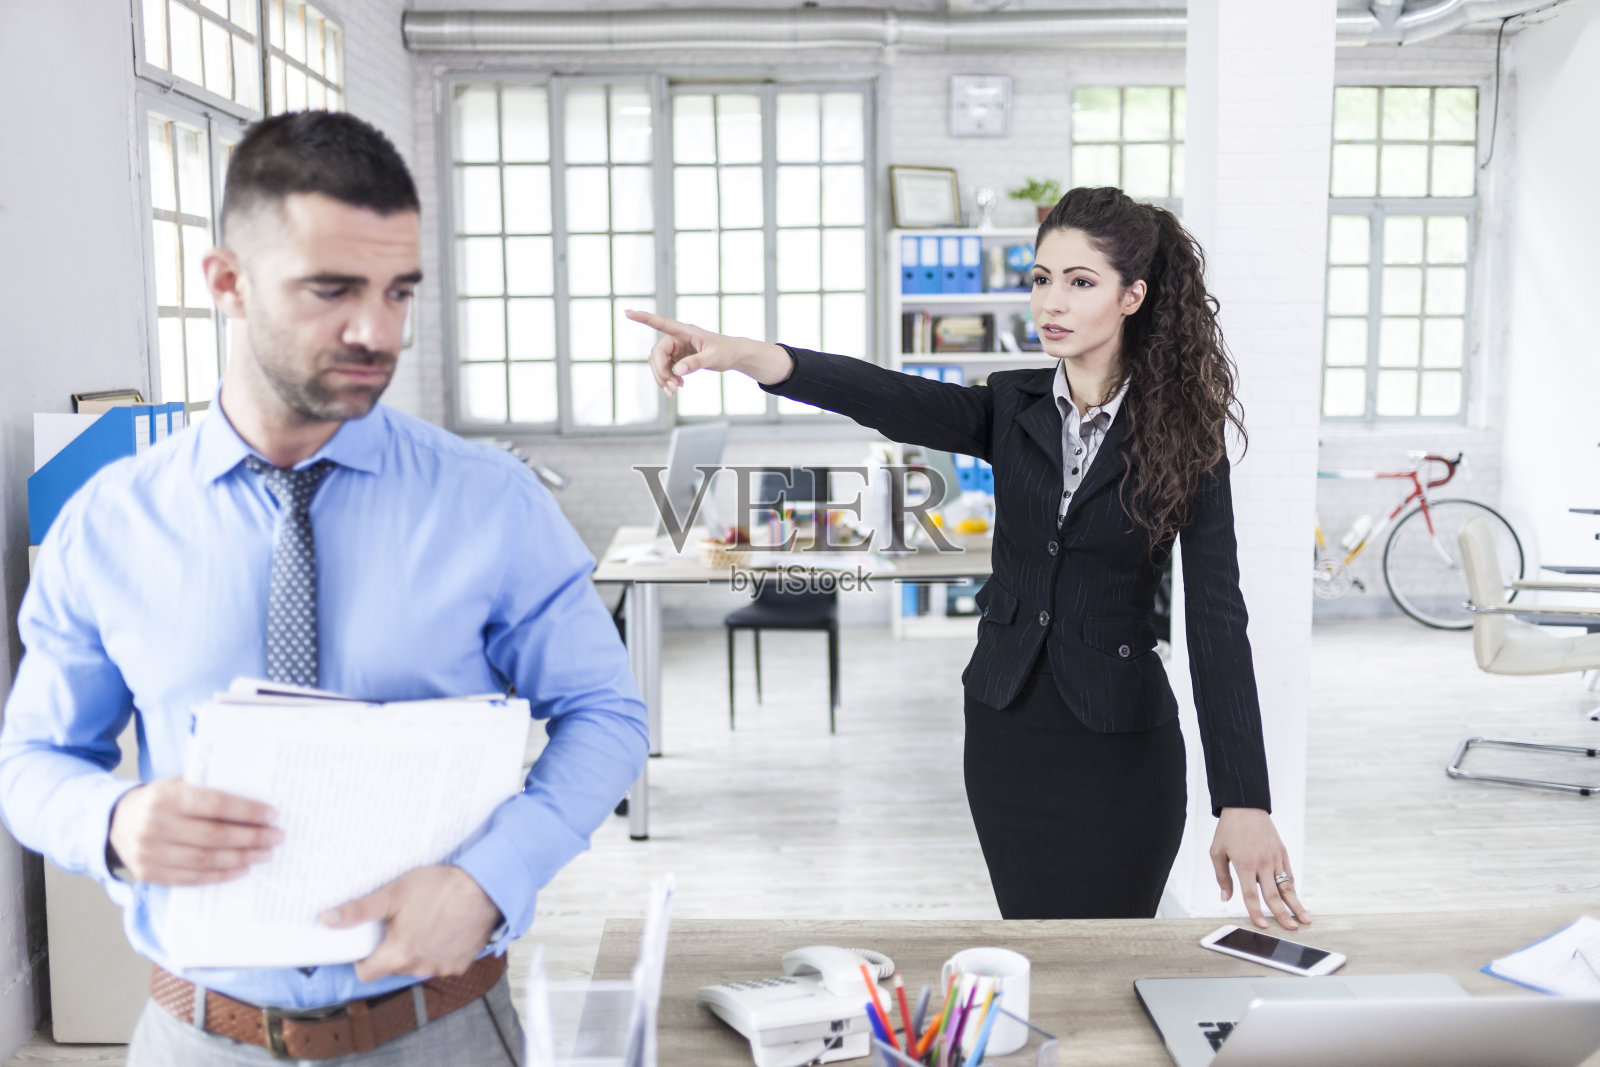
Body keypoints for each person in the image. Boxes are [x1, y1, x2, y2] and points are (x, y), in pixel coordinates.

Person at [0, 111, 648, 1064]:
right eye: (332, 289)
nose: (376, 331)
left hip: (441, 1027)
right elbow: (33, 762)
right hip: (197, 1035)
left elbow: (606, 713)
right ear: (226, 281)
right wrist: (112, 821)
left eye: (398, 292)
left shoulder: (489, 503)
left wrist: (489, 878)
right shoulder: (109, 524)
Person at [628, 186, 1310, 930]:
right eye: (1042, 277)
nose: (1052, 300)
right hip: (1005, 733)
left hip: (1122, 750)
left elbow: (1215, 614)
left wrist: (1243, 798)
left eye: (1080, 282)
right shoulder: (1009, 404)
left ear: (1132, 296)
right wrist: (750, 356)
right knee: (1031, 942)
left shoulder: (1185, 433)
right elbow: (887, 395)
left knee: (1103, 959)